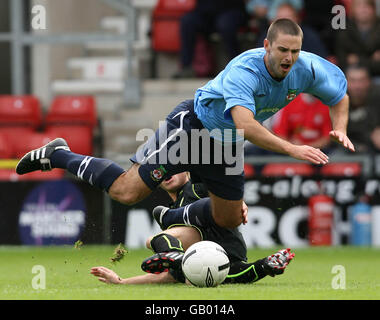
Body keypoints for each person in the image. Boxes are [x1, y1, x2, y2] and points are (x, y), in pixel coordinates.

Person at [16, 18, 355, 233]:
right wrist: (293, 149)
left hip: (225, 147)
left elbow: (339, 95)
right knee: (126, 192)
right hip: (192, 130)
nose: (289, 58)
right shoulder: (244, 70)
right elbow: (245, 125)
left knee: (229, 218)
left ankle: (171, 216)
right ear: (266, 45)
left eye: (295, 51)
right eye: (283, 50)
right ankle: (59, 155)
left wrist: (339, 126)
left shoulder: (307, 68)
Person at [90, 172, 295, 285]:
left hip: (227, 251)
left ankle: (262, 266)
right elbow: (169, 277)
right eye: (163, 171)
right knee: (184, 273)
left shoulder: (196, 188)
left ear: (187, 170)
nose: (167, 173)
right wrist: (122, 282)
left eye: (174, 167)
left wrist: (239, 203)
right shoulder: (170, 211)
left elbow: (225, 190)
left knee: (155, 239)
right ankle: (265, 266)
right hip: (198, 263)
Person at [173, 0, 248, 78]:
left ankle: (237, 67)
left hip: (230, 10)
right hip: (206, 13)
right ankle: (186, 67)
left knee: (225, 25)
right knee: (187, 21)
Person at [255, 2, 329, 58]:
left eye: (289, 19)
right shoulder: (266, 38)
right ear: (272, 22)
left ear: (298, 20)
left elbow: (320, 64)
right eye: (280, 19)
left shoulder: (310, 37)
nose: (285, 24)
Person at [340, 64, 380, 153]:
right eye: (353, 81)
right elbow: (333, 135)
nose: (357, 86)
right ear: (345, 82)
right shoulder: (337, 100)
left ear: (369, 81)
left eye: (362, 80)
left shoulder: (378, 95)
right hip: (346, 148)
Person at [335, 0, 380, 76]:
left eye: (367, 6)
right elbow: (342, 61)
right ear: (352, 10)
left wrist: (357, 60)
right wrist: (371, 60)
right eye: (359, 6)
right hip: (351, 77)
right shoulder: (344, 31)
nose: (363, 10)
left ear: (374, 9)